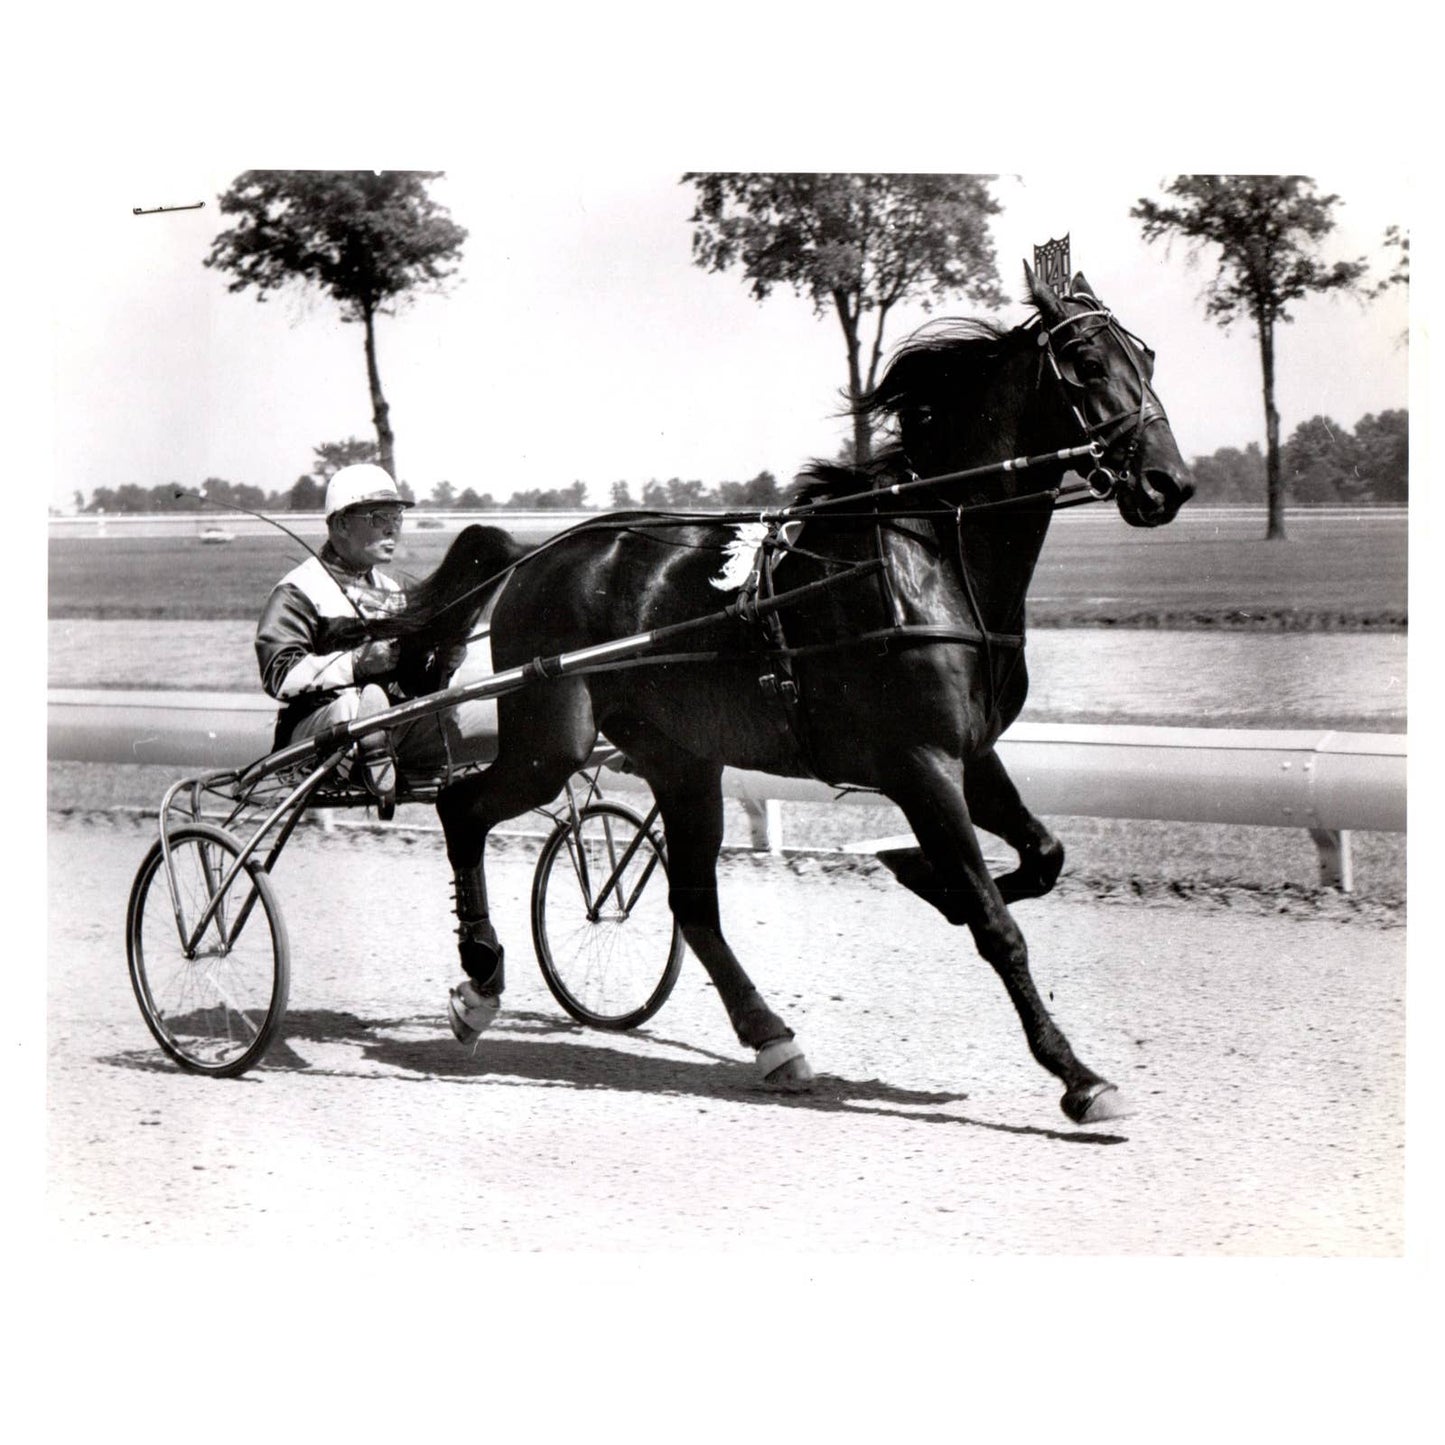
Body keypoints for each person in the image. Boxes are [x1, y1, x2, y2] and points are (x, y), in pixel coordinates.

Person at [255, 462, 481, 816]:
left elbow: (416, 683)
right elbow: (278, 675)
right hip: (315, 736)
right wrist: (357, 663)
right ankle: (372, 742)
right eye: (379, 517)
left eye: (397, 517)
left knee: (468, 706)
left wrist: (445, 662)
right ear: (342, 523)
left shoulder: (396, 592)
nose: (393, 528)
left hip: (387, 726)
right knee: (362, 705)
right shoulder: (299, 590)